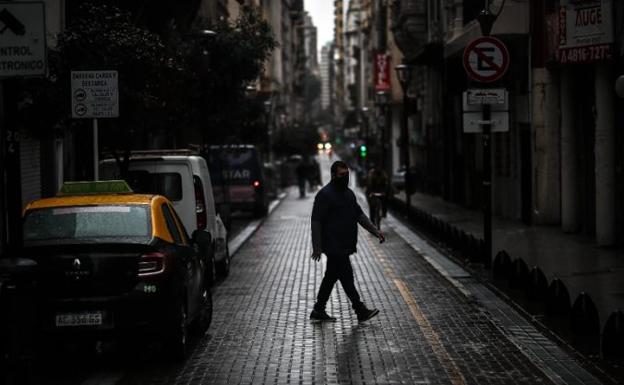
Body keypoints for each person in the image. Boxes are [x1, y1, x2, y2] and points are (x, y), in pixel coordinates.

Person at [310, 160, 385, 322]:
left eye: (347, 174)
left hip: (345, 244)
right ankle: (360, 310)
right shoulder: (324, 195)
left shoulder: (349, 194)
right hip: (333, 245)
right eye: (342, 175)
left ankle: (318, 309)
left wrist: (375, 231)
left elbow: (360, 215)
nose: (345, 177)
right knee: (346, 276)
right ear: (334, 175)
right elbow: (316, 221)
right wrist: (317, 247)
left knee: (331, 276)